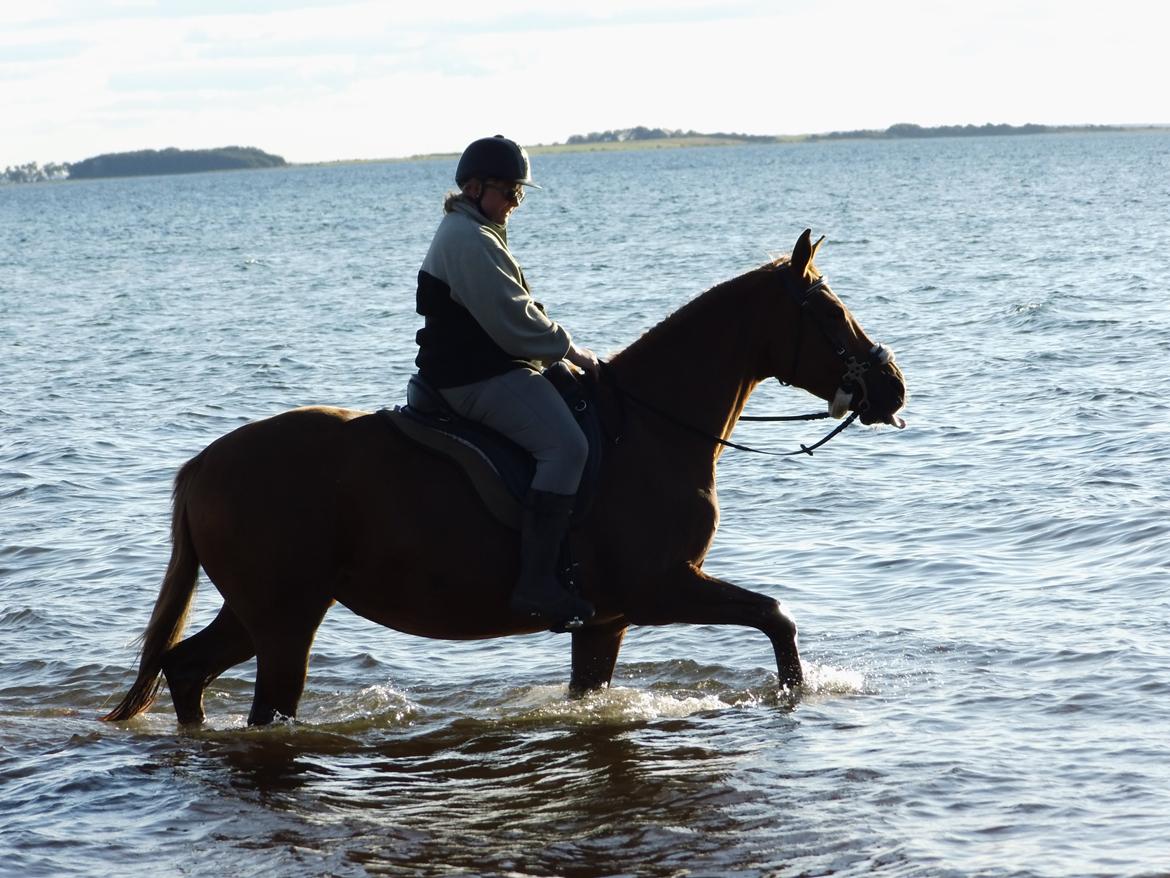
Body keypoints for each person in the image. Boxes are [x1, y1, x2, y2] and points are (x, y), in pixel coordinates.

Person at [414, 135, 598, 629]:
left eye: (520, 193)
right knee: (567, 448)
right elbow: (510, 318)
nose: (516, 203)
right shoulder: (467, 239)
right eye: (509, 191)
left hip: (491, 364)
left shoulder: (476, 231)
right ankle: (536, 581)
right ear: (474, 188)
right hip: (475, 377)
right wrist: (568, 349)